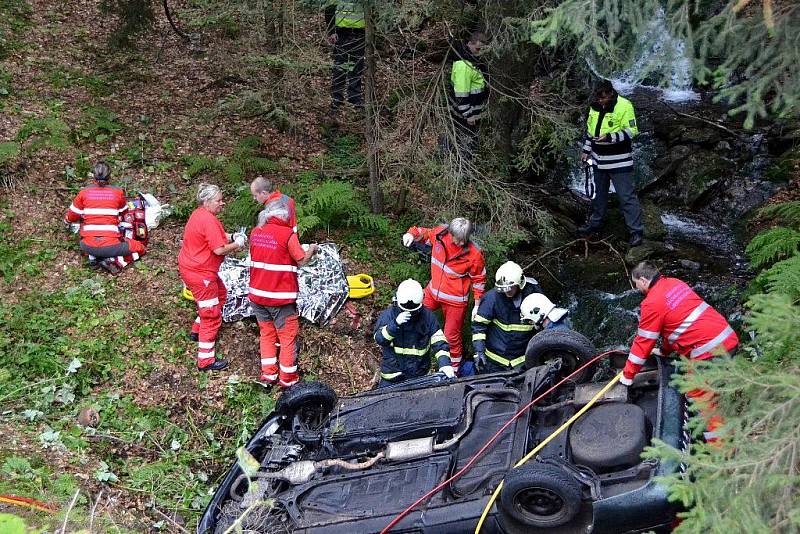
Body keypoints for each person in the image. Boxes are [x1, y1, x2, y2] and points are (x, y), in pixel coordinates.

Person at [623, 261, 739, 443]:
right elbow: (675, 327)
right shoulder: (674, 283)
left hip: (710, 351)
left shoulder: (651, 303)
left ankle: (722, 450)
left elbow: (642, 343)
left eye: (636, 285)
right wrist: (664, 351)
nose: (638, 289)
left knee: (699, 396)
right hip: (727, 338)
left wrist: (628, 375)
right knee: (711, 390)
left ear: (643, 280)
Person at [403, 218, 486, 376]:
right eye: (458, 239)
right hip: (433, 291)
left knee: (451, 337)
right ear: (451, 233)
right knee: (413, 313)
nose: (461, 243)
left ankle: (453, 372)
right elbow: (423, 233)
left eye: (464, 240)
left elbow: (479, 280)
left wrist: (477, 304)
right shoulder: (440, 234)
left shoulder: (474, 253)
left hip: (455, 300)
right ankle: (409, 355)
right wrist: (410, 234)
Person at [178, 183, 246, 372]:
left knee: (221, 294)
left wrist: (232, 235)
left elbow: (215, 236)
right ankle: (206, 361)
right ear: (207, 201)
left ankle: (196, 331)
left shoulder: (200, 214)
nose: (222, 203)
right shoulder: (207, 219)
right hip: (200, 273)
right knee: (212, 314)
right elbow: (218, 248)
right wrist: (237, 244)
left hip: (195, 268)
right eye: (219, 200)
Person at [249, 201, 317, 388]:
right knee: (287, 336)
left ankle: (268, 376)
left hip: (257, 296)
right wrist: (311, 249)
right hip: (279, 297)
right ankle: (288, 379)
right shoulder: (287, 234)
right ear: (284, 216)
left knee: (267, 333)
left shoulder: (256, 232)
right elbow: (302, 260)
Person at [578, 80, 644, 247]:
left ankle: (636, 232)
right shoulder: (594, 106)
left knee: (626, 196)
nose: (601, 101)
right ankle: (595, 225)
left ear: (611, 93)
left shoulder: (624, 105)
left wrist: (609, 137)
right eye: (599, 98)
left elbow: (632, 131)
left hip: (619, 161)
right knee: (599, 195)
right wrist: (586, 151)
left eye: (604, 98)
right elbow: (590, 132)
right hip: (598, 161)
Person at [64, 161, 146, 273]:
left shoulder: (83, 193)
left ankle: (93, 258)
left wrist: (67, 221)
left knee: (85, 226)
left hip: (87, 246)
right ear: (110, 176)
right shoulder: (117, 192)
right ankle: (116, 261)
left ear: (93, 176)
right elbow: (123, 213)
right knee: (140, 247)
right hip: (111, 246)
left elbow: (72, 216)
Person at [373, 279, 453, 387]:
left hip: (419, 377)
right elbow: (379, 339)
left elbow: (439, 341)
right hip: (392, 377)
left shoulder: (427, 317)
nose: (410, 312)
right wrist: (394, 325)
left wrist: (445, 364)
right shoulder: (388, 316)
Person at [472, 261, 542, 374]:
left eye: (510, 288)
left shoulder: (534, 295)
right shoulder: (492, 299)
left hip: (523, 361)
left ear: (520, 284)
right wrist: (479, 351)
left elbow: (546, 323)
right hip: (494, 362)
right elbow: (479, 327)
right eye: (503, 289)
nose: (507, 292)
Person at [449, 31, 489, 158]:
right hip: (464, 114)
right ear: (469, 44)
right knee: (464, 141)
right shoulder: (464, 65)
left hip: (471, 111)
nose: (480, 52)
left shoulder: (473, 60)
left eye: (482, 50)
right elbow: (461, 94)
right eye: (477, 49)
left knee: (467, 140)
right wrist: (468, 115)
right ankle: (460, 164)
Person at [324, 0, 365, 109]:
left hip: (360, 33)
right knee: (340, 67)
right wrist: (332, 31)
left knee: (357, 67)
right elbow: (329, 9)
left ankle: (355, 98)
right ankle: (337, 99)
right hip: (341, 34)